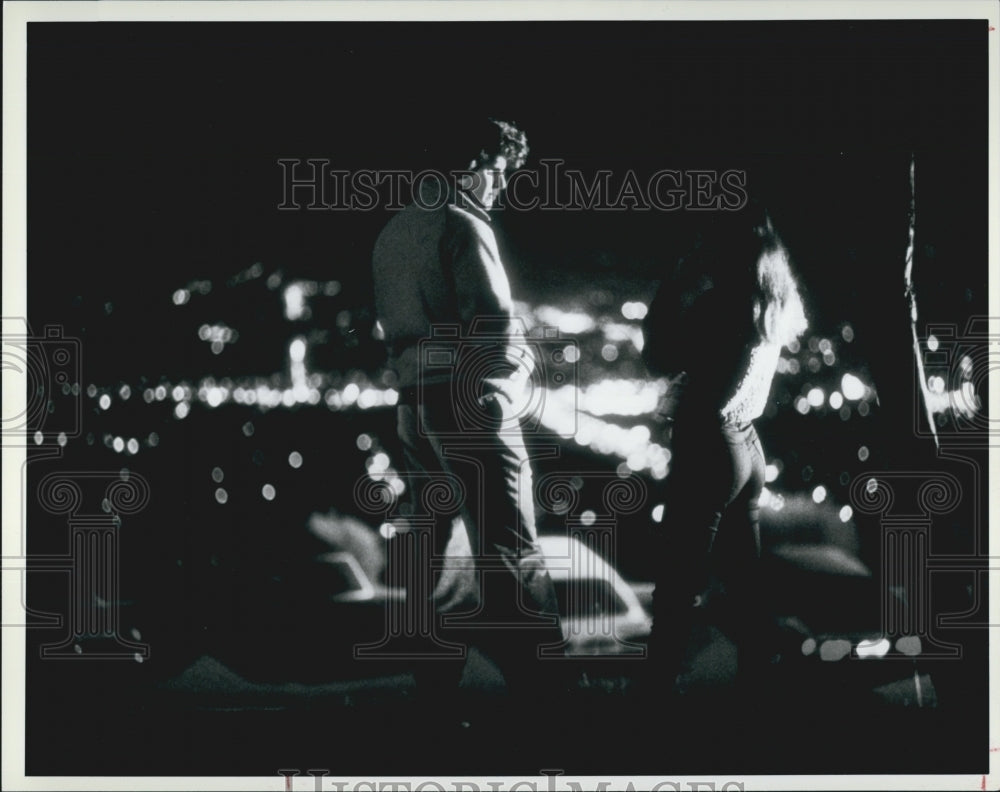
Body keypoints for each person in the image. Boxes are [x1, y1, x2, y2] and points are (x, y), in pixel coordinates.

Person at [370, 118, 566, 713]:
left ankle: (433, 692)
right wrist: (523, 364)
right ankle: (549, 700)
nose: (502, 186)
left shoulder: (392, 232)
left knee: (438, 551)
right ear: (478, 161)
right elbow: (493, 330)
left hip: (414, 405)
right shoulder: (462, 223)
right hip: (468, 404)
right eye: (502, 171)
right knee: (509, 547)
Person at [641, 209, 809, 700]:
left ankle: (653, 698)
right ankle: (762, 693)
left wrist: (674, 285)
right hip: (746, 446)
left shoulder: (722, 305)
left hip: (707, 446)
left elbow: (658, 357)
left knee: (677, 585)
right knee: (746, 587)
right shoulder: (771, 302)